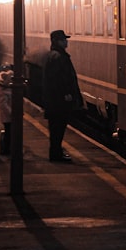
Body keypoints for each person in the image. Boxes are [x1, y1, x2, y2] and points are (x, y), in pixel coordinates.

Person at [42, 30, 82, 162]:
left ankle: (56, 152)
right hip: (59, 102)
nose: (66, 42)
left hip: (54, 101)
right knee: (58, 129)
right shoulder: (59, 57)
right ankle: (56, 154)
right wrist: (66, 94)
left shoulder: (52, 55)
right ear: (57, 41)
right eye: (63, 39)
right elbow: (60, 79)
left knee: (55, 130)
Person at [0, 64, 13, 155]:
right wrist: (11, 113)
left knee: (10, 132)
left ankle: (8, 147)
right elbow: (3, 105)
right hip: (8, 116)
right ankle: (6, 149)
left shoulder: (5, 89)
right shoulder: (3, 91)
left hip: (8, 116)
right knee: (9, 132)